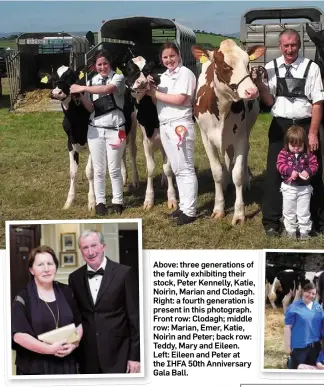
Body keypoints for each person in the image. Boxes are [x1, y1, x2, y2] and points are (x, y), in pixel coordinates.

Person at [253, 28, 324, 238]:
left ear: (299, 45)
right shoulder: (270, 68)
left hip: (305, 124)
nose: (290, 49)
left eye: (293, 45)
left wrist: (313, 133)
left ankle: (321, 221)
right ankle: (272, 221)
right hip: (280, 125)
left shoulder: (311, 67)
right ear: (280, 47)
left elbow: (317, 103)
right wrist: (260, 86)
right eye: (286, 45)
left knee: (313, 173)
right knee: (274, 172)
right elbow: (269, 101)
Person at [68, 230, 140, 373]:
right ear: (81, 250)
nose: (90, 252)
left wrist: (135, 357)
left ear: (103, 246)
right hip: (87, 357)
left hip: (119, 355)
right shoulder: (74, 278)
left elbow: (135, 318)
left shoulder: (124, 273)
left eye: (94, 246)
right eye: (85, 248)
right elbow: (76, 318)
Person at [70, 49, 129, 216]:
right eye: (99, 64)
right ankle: (100, 202)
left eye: (105, 63)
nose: (102, 67)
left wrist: (83, 87)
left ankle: (118, 201)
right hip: (95, 129)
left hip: (115, 129)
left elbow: (107, 89)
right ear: (95, 66)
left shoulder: (118, 78)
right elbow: (91, 108)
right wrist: (81, 96)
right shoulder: (92, 81)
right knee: (98, 168)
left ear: (110, 64)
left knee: (114, 168)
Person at [147, 42, 198, 225]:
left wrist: (154, 93)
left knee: (185, 167)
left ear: (179, 56)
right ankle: (184, 206)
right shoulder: (164, 77)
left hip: (180, 125)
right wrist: (152, 90)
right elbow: (159, 102)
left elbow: (181, 99)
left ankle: (190, 210)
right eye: (165, 57)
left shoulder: (186, 73)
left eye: (172, 56)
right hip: (165, 124)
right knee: (176, 168)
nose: (169, 60)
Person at [11, 246, 83, 375]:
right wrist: (48, 349)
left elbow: (79, 324)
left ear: (55, 266)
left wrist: (74, 344)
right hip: (35, 367)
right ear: (31, 270)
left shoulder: (67, 291)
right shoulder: (23, 298)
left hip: (66, 364)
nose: (46, 269)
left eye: (50, 263)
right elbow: (18, 336)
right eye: (40, 265)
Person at [276, 125, 319, 240]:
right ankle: (290, 231)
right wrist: (290, 171)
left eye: (299, 145)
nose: (296, 148)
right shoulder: (284, 153)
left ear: (304, 143)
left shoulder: (308, 154)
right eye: (292, 145)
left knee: (304, 211)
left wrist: (308, 171)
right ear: (287, 143)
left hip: (304, 189)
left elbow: (315, 165)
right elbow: (279, 165)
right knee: (289, 211)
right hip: (289, 188)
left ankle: (304, 231)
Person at [284, 282, 323, 369]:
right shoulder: (293, 307)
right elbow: (287, 328)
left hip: (315, 347)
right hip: (299, 347)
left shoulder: (318, 307)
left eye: (313, 293)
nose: (310, 295)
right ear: (302, 292)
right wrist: (287, 347)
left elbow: (322, 325)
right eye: (308, 292)